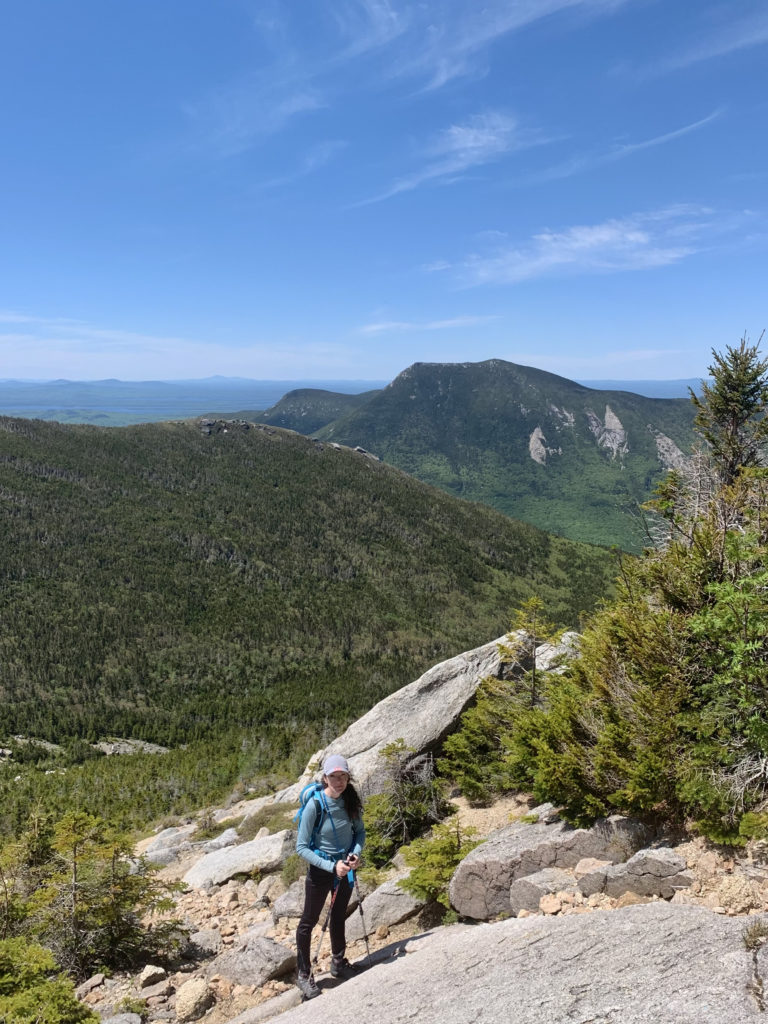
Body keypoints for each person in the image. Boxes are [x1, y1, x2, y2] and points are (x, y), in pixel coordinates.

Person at [294, 754, 365, 1000]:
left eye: (342, 775)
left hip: (344, 869)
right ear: (325, 778)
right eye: (333, 776)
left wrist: (355, 854)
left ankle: (338, 962)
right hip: (322, 871)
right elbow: (301, 847)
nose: (338, 781)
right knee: (308, 922)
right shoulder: (315, 806)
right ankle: (304, 975)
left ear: (348, 777)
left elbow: (360, 833)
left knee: (338, 916)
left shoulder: (350, 801)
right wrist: (330, 866)